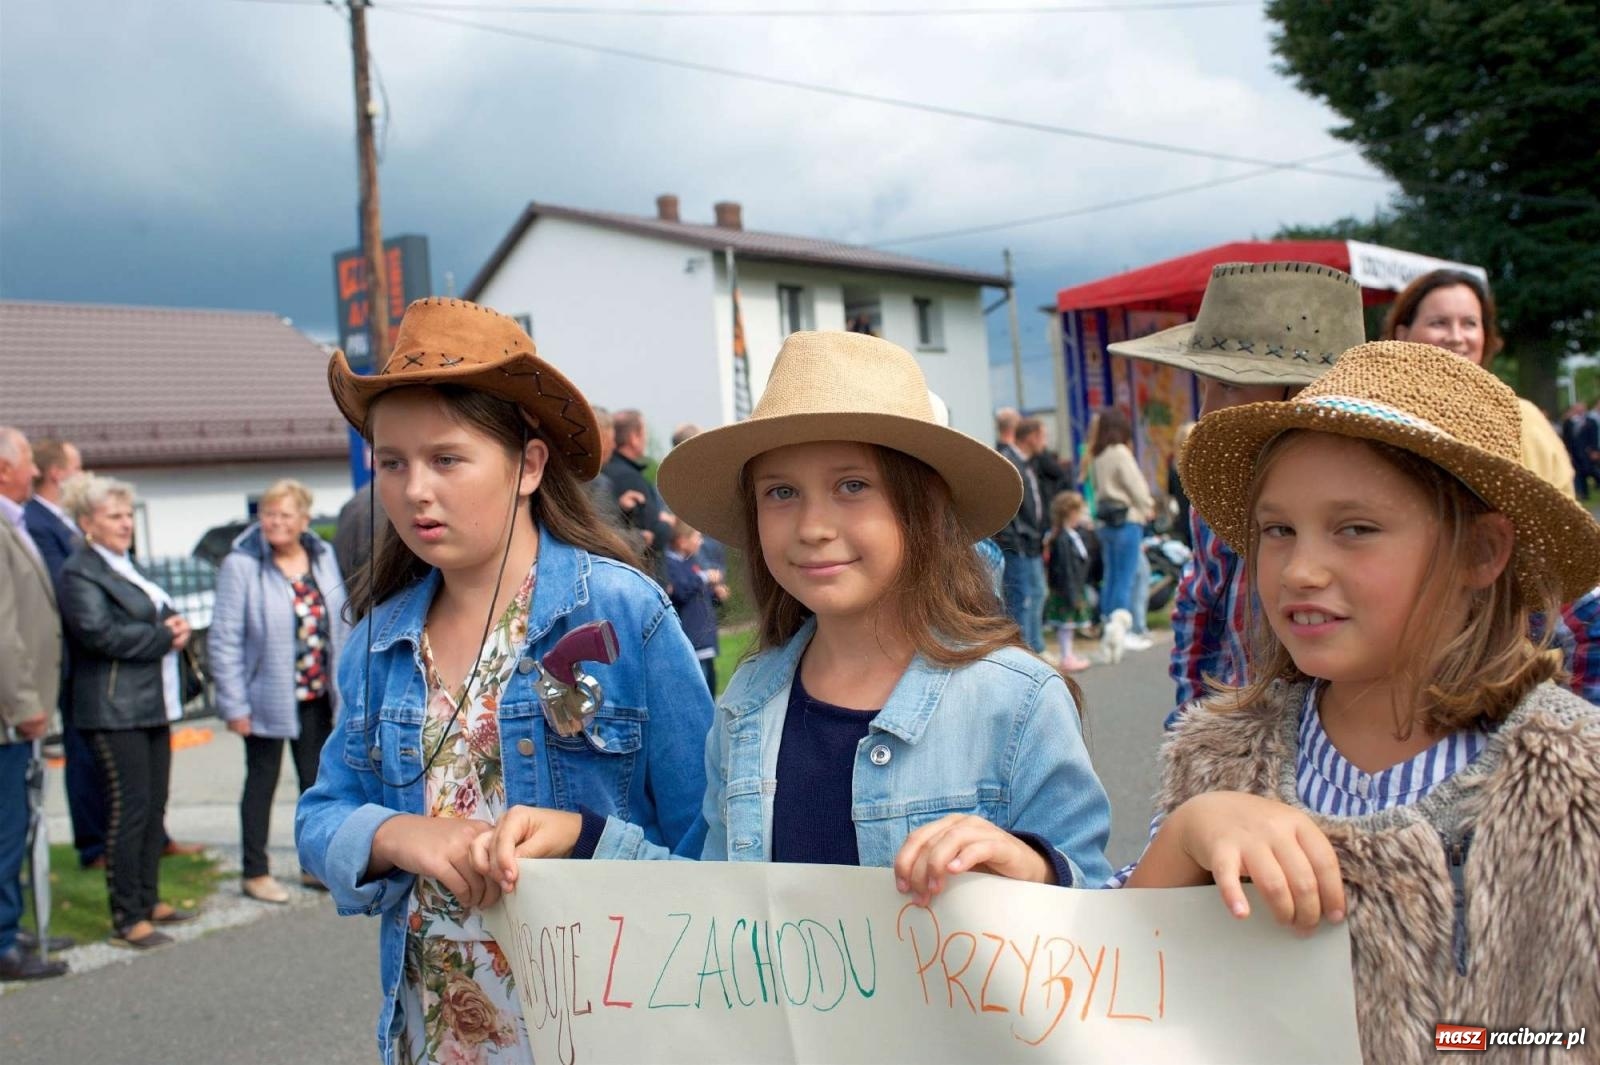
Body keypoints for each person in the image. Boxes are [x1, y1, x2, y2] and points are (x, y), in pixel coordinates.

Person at [473, 330, 1113, 903]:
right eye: (781, 493)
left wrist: (1033, 870)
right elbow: (717, 898)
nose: (812, 527)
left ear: (925, 507)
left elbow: (1099, 904)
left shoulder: (1019, 701)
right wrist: (584, 840)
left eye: (852, 486)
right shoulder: (748, 702)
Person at [1124, 341, 1600, 1062]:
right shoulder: (1216, 758)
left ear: (1482, 551)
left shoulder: (1576, 782)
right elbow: (1122, 979)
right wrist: (1189, 831)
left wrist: (1459, 1042)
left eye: (1355, 529)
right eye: (1278, 530)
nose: (1302, 568)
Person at [296, 299, 714, 1065]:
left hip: (604, 1035)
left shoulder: (625, 614)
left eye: (446, 459)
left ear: (528, 464)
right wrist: (397, 834)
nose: (414, 489)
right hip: (435, 1041)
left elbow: (712, 846)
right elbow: (320, 815)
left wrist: (586, 847)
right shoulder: (379, 638)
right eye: (392, 462)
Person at [1107, 262, 1368, 721]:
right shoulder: (1221, 487)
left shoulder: (1380, 499)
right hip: (1240, 731)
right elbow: (1198, 602)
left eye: (1227, 386)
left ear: (1305, 392)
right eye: (1203, 386)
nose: (1206, 410)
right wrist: (1192, 726)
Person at [1382, 268, 1600, 706]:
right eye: (1439, 323)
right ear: (1403, 332)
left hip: (1507, 647)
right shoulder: (1370, 421)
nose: (1456, 337)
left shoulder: (1524, 420)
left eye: (1470, 323)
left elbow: (1558, 552)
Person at [58, 473, 199, 950]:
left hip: (151, 703)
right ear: (87, 524)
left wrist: (170, 626)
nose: (124, 524)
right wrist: (166, 636)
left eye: (126, 515)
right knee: (128, 810)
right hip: (114, 708)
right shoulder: (81, 571)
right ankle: (127, 916)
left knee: (153, 806)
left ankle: (149, 898)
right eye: (113, 517)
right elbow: (97, 634)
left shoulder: (125, 565)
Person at [211, 478, 349, 904]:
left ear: (304, 520)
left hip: (315, 695)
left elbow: (341, 620)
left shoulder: (320, 555)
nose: (275, 522)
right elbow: (225, 637)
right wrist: (233, 703)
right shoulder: (243, 564)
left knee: (316, 784)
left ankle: (312, 866)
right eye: (269, 514)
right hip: (265, 696)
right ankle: (255, 871)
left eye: (285, 515)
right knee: (262, 784)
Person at [0, 427, 70, 981]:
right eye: (26, 462)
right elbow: (3, 630)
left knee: (17, 823)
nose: (34, 471)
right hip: (8, 717)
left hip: (16, 712)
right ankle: (4, 941)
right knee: (9, 825)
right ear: (7, 468)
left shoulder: (14, 521)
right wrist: (24, 703)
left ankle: (11, 923)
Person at [24, 438, 109, 872]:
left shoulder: (62, 521)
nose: (83, 472)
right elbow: (67, 587)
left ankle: (109, 837)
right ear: (57, 472)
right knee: (82, 752)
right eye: (77, 465)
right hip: (75, 658)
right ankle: (93, 844)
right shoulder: (37, 522)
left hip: (94, 662)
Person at [1087, 407, 1155, 652]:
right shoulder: (1120, 452)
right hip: (1126, 520)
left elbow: (1095, 489)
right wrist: (1147, 506)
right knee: (1126, 578)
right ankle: (1123, 630)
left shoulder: (1097, 455)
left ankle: (1108, 627)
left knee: (1112, 577)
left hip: (1105, 522)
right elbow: (1136, 486)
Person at [993, 408, 1047, 653]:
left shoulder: (1023, 461)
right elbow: (1012, 504)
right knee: (1021, 598)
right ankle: (1024, 651)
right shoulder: (1009, 459)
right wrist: (1016, 535)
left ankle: (1034, 647)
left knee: (1034, 594)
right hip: (1018, 541)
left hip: (1029, 540)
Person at [603, 408, 673, 584]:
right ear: (634, 438)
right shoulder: (630, 478)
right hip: (642, 576)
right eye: (644, 434)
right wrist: (666, 523)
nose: (646, 439)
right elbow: (651, 534)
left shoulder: (606, 472)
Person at [663, 521, 725, 693]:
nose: (701, 541)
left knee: (711, 688)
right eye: (697, 536)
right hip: (693, 639)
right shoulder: (670, 564)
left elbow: (697, 594)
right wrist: (704, 577)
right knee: (700, 690)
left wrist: (715, 594)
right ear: (683, 541)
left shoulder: (691, 563)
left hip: (705, 639)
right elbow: (681, 590)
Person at [1044, 491, 1092, 672]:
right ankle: (1066, 655)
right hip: (1067, 587)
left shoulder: (1073, 534)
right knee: (1066, 624)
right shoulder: (1062, 538)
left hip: (1074, 585)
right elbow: (1065, 568)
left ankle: (1069, 653)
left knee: (1069, 625)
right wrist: (1071, 592)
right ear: (1071, 512)